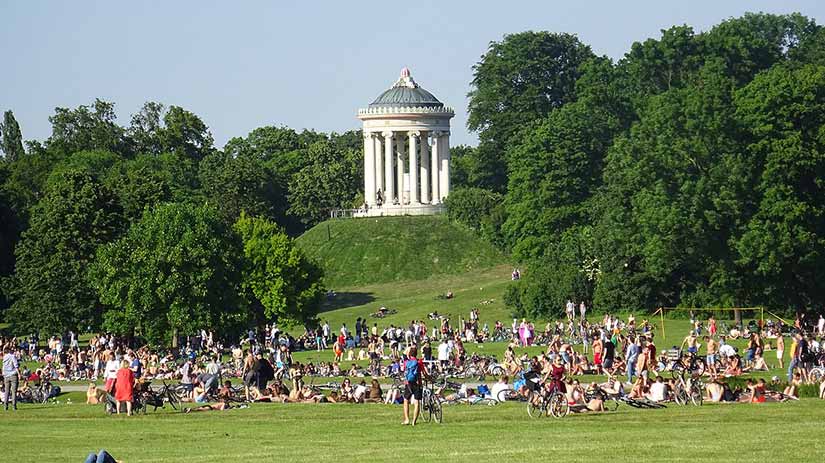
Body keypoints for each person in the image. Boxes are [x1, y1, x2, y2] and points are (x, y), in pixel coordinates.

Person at [401, 345, 427, 426]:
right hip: (417, 383)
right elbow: (424, 373)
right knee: (417, 402)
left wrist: (408, 351)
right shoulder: (419, 362)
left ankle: (407, 419)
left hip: (408, 383)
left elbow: (404, 370)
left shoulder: (406, 362)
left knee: (406, 401)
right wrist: (429, 378)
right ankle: (414, 421)